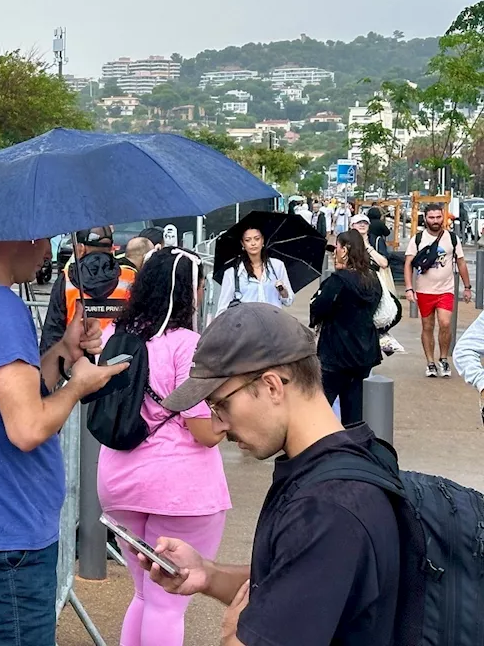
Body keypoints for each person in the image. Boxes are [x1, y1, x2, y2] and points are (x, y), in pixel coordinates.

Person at [143, 303, 400, 646]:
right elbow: (299, 584)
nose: (219, 425)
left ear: (272, 386)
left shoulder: (327, 508)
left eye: (221, 405)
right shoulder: (350, 461)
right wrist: (208, 574)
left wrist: (233, 634)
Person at [0, 238, 128, 645]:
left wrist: (64, 351)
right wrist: (78, 386)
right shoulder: (0, 307)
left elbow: (11, 394)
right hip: (8, 537)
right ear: (23, 237)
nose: (46, 254)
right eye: (44, 240)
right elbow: (28, 428)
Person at [98, 248, 229, 646]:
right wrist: (228, 421)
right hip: (180, 490)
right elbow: (203, 430)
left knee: (143, 596)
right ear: (189, 291)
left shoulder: (113, 336)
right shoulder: (187, 344)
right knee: (166, 604)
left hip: (120, 481)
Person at [310, 230, 383, 426]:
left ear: (345, 250)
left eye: (338, 247)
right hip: (363, 352)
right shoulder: (372, 279)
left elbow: (319, 308)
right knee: (354, 410)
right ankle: (354, 446)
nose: (335, 251)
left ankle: (322, 447)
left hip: (336, 351)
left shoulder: (338, 281)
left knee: (321, 407)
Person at [40, 226, 136, 353]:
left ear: (80, 248)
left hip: (75, 361)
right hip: (117, 359)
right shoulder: (130, 278)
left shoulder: (66, 278)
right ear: (112, 248)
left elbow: (53, 331)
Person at [404, 204, 471, 378]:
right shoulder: (417, 239)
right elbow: (408, 264)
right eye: (431, 217)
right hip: (424, 290)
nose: (435, 221)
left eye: (438, 217)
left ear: (443, 217)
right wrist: (409, 288)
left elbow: (461, 262)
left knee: (445, 323)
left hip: (446, 290)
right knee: (427, 326)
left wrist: (467, 287)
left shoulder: (452, 238)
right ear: (425, 218)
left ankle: (443, 358)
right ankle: (430, 362)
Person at [215, 227, 292, 315]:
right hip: (246, 325)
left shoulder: (277, 266)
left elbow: (288, 301)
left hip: (274, 322)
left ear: (262, 240)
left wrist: (283, 292)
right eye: (248, 240)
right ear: (242, 243)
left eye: (257, 239)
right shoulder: (231, 273)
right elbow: (222, 309)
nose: (253, 243)